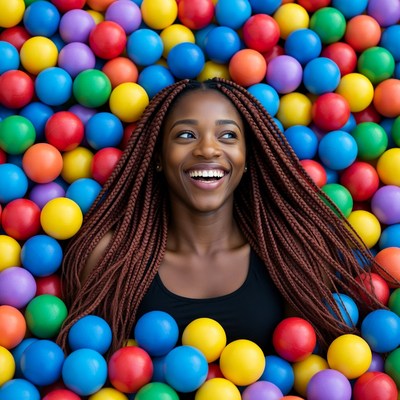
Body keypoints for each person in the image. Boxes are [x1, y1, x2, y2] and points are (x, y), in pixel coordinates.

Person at [57, 78, 394, 362]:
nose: (208, 149)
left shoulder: (291, 255)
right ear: (158, 157)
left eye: (228, 135)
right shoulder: (112, 259)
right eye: (186, 135)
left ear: (247, 158)